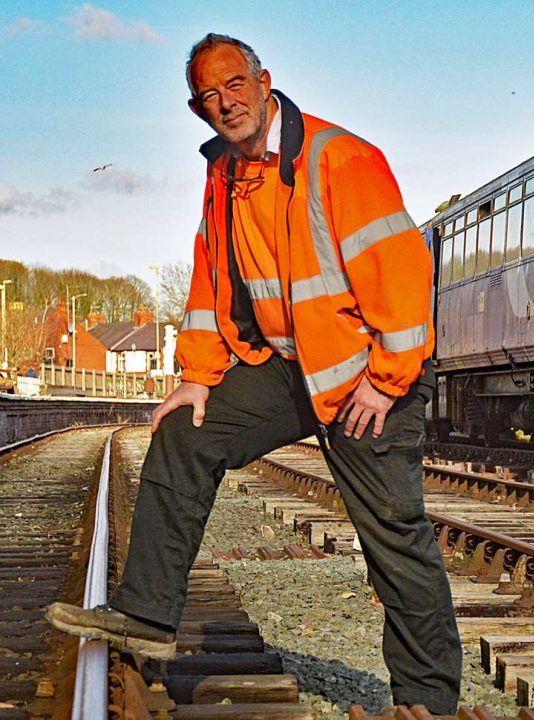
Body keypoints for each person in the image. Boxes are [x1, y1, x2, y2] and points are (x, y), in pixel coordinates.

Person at [47, 33, 462, 714]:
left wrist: (386, 380)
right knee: (184, 432)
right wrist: (199, 376)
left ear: (264, 81)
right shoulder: (224, 176)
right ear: (196, 108)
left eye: (234, 84)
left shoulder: (342, 159)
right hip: (293, 368)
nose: (225, 102)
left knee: (394, 535)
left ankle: (428, 701)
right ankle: (148, 616)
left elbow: (403, 276)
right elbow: (212, 284)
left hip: (367, 374)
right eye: (209, 95)